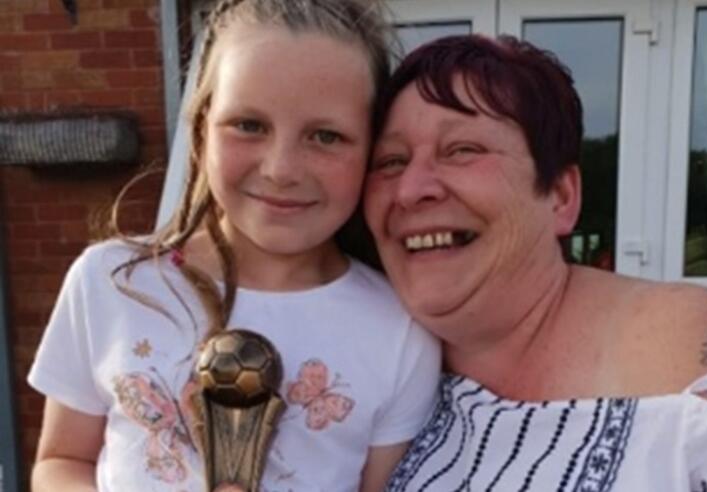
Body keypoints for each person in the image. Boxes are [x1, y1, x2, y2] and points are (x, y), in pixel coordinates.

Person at [27, 1, 440, 491]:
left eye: (326, 136)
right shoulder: (108, 281)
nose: (281, 169)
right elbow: (62, 460)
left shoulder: (400, 331)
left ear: (371, 150)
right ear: (201, 131)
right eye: (249, 125)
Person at [364, 34, 707, 491]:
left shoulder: (678, 348)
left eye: (462, 150)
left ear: (561, 197)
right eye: (391, 161)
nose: (410, 189)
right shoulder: (366, 357)